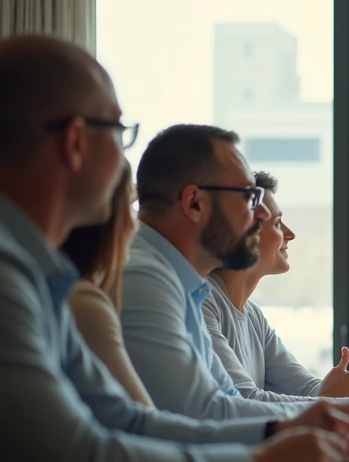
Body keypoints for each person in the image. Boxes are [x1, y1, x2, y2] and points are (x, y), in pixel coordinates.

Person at [0, 35, 349, 462]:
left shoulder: (28, 267)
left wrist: (274, 435)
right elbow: (80, 461)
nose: (127, 169)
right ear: (75, 141)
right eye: (118, 130)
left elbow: (125, 420)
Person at [203, 171, 349, 412]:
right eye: (277, 224)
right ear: (241, 233)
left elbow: (309, 391)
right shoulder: (203, 303)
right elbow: (243, 400)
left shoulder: (253, 317)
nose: (290, 234)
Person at [123, 124, 314, 419]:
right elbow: (207, 414)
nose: (259, 214)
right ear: (194, 203)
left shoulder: (187, 287)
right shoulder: (142, 280)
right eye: (247, 196)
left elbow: (227, 401)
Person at [61, 167, 153, 406]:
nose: (135, 225)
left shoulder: (78, 296)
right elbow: (138, 419)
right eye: (129, 209)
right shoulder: (84, 302)